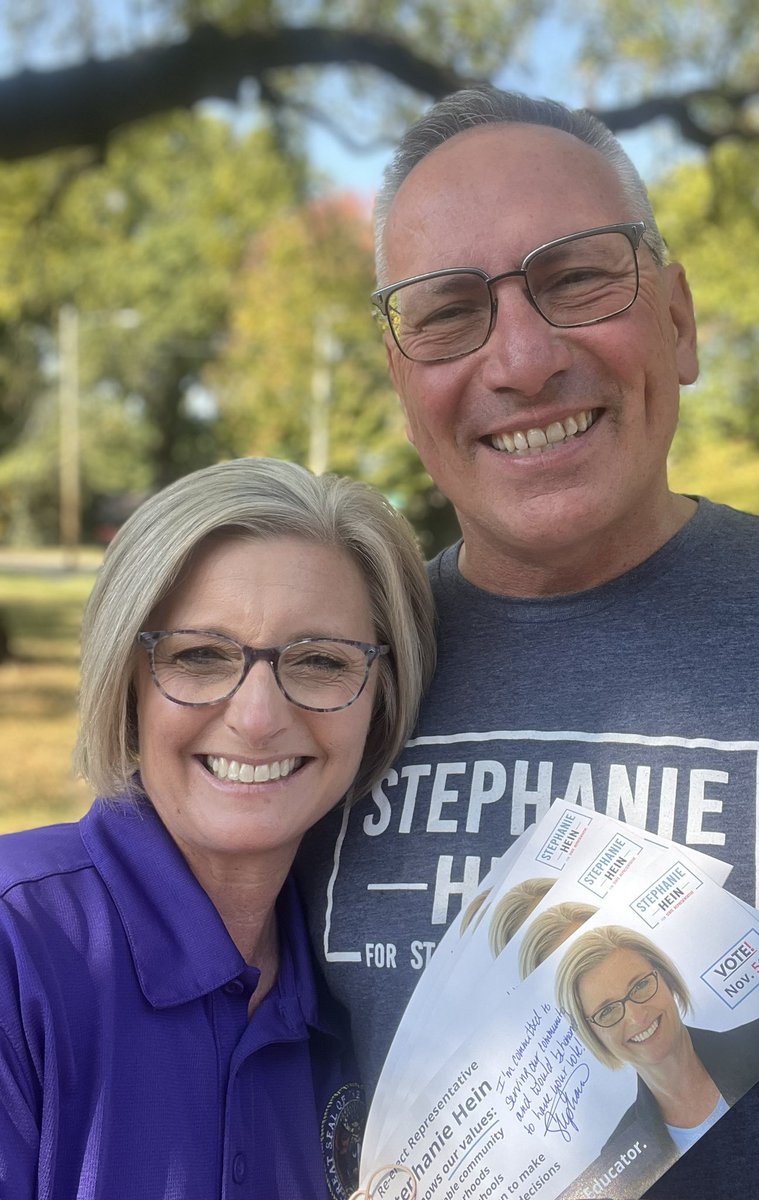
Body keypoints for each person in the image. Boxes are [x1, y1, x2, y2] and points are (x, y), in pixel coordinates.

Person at [298, 85, 759, 1197]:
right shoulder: (327, 690)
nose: (522, 359)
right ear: (402, 381)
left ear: (678, 318)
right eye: (445, 311)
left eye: (577, 277)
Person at [0, 457, 435, 1200]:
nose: (259, 718)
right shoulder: (17, 946)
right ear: (127, 683)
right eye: (201, 655)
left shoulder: (352, 1003)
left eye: (321, 660)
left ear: (382, 701)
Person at [555, 925, 759, 1198]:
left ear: (667, 979)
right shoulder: (617, 1162)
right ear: (593, 1033)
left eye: (641, 985)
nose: (635, 1017)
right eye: (607, 1011)